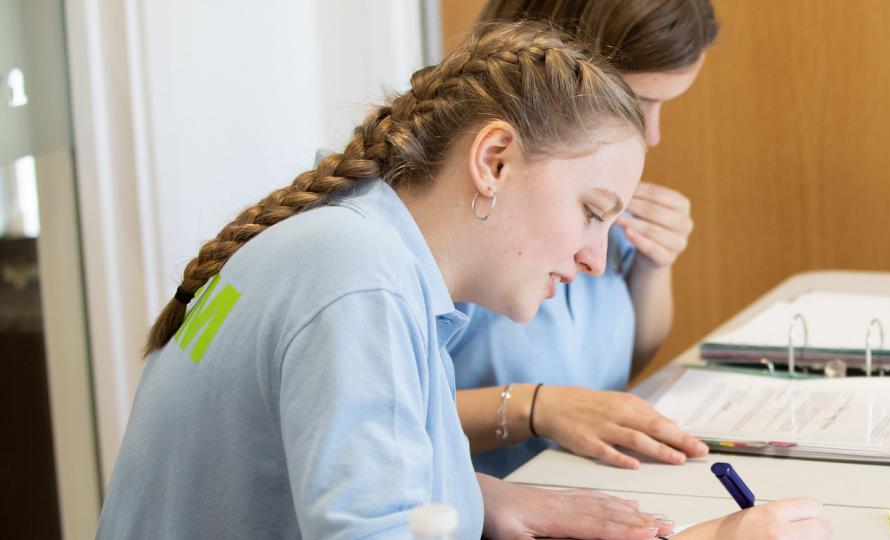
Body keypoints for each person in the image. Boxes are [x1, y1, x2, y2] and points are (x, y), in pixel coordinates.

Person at [95, 21, 826, 539]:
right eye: (590, 212)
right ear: (495, 161)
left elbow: (317, 476)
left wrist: (488, 502)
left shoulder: (363, 247)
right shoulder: (357, 283)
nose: (596, 261)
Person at [452, 0, 717, 477]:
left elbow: (616, 369)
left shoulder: (592, 189)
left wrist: (654, 265)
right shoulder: (444, 219)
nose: (653, 134)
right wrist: (535, 409)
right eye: (637, 102)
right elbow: (390, 417)